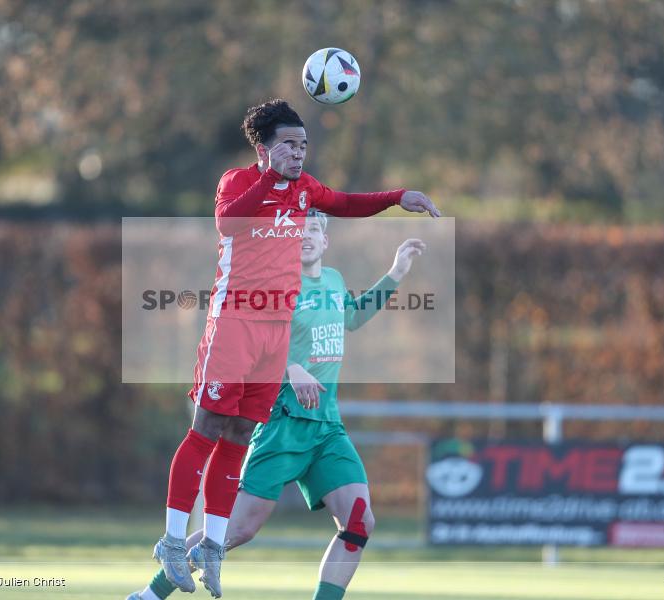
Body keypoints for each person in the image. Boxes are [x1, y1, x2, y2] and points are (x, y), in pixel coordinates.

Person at [149, 99, 440, 598]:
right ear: (263, 149)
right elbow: (228, 224)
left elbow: (347, 203)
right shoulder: (239, 182)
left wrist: (397, 197)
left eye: (303, 145)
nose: (298, 153)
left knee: (241, 436)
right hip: (238, 322)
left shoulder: (308, 201)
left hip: (283, 347)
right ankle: (174, 547)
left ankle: (210, 548)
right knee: (209, 430)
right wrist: (269, 179)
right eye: (288, 144)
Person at [131, 211, 425, 600]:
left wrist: (396, 273)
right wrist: (292, 369)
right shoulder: (274, 286)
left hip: (327, 427)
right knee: (236, 531)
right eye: (298, 231)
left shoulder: (333, 280)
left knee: (359, 521)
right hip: (281, 421)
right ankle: (151, 595)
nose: (306, 236)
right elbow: (249, 346)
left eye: (315, 230)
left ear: (325, 241)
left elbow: (351, 318)